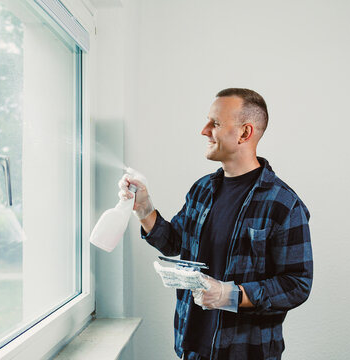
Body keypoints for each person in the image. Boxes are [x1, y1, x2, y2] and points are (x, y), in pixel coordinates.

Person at [119, 88, 313, 360]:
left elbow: (297, 284)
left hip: (246, 353)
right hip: (192, 348)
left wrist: (231, 295)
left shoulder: (284, 204)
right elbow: (173, 242)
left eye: (216, 123)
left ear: (245, 133)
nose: (204, 130)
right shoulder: (202, 189)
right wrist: (144, 208)